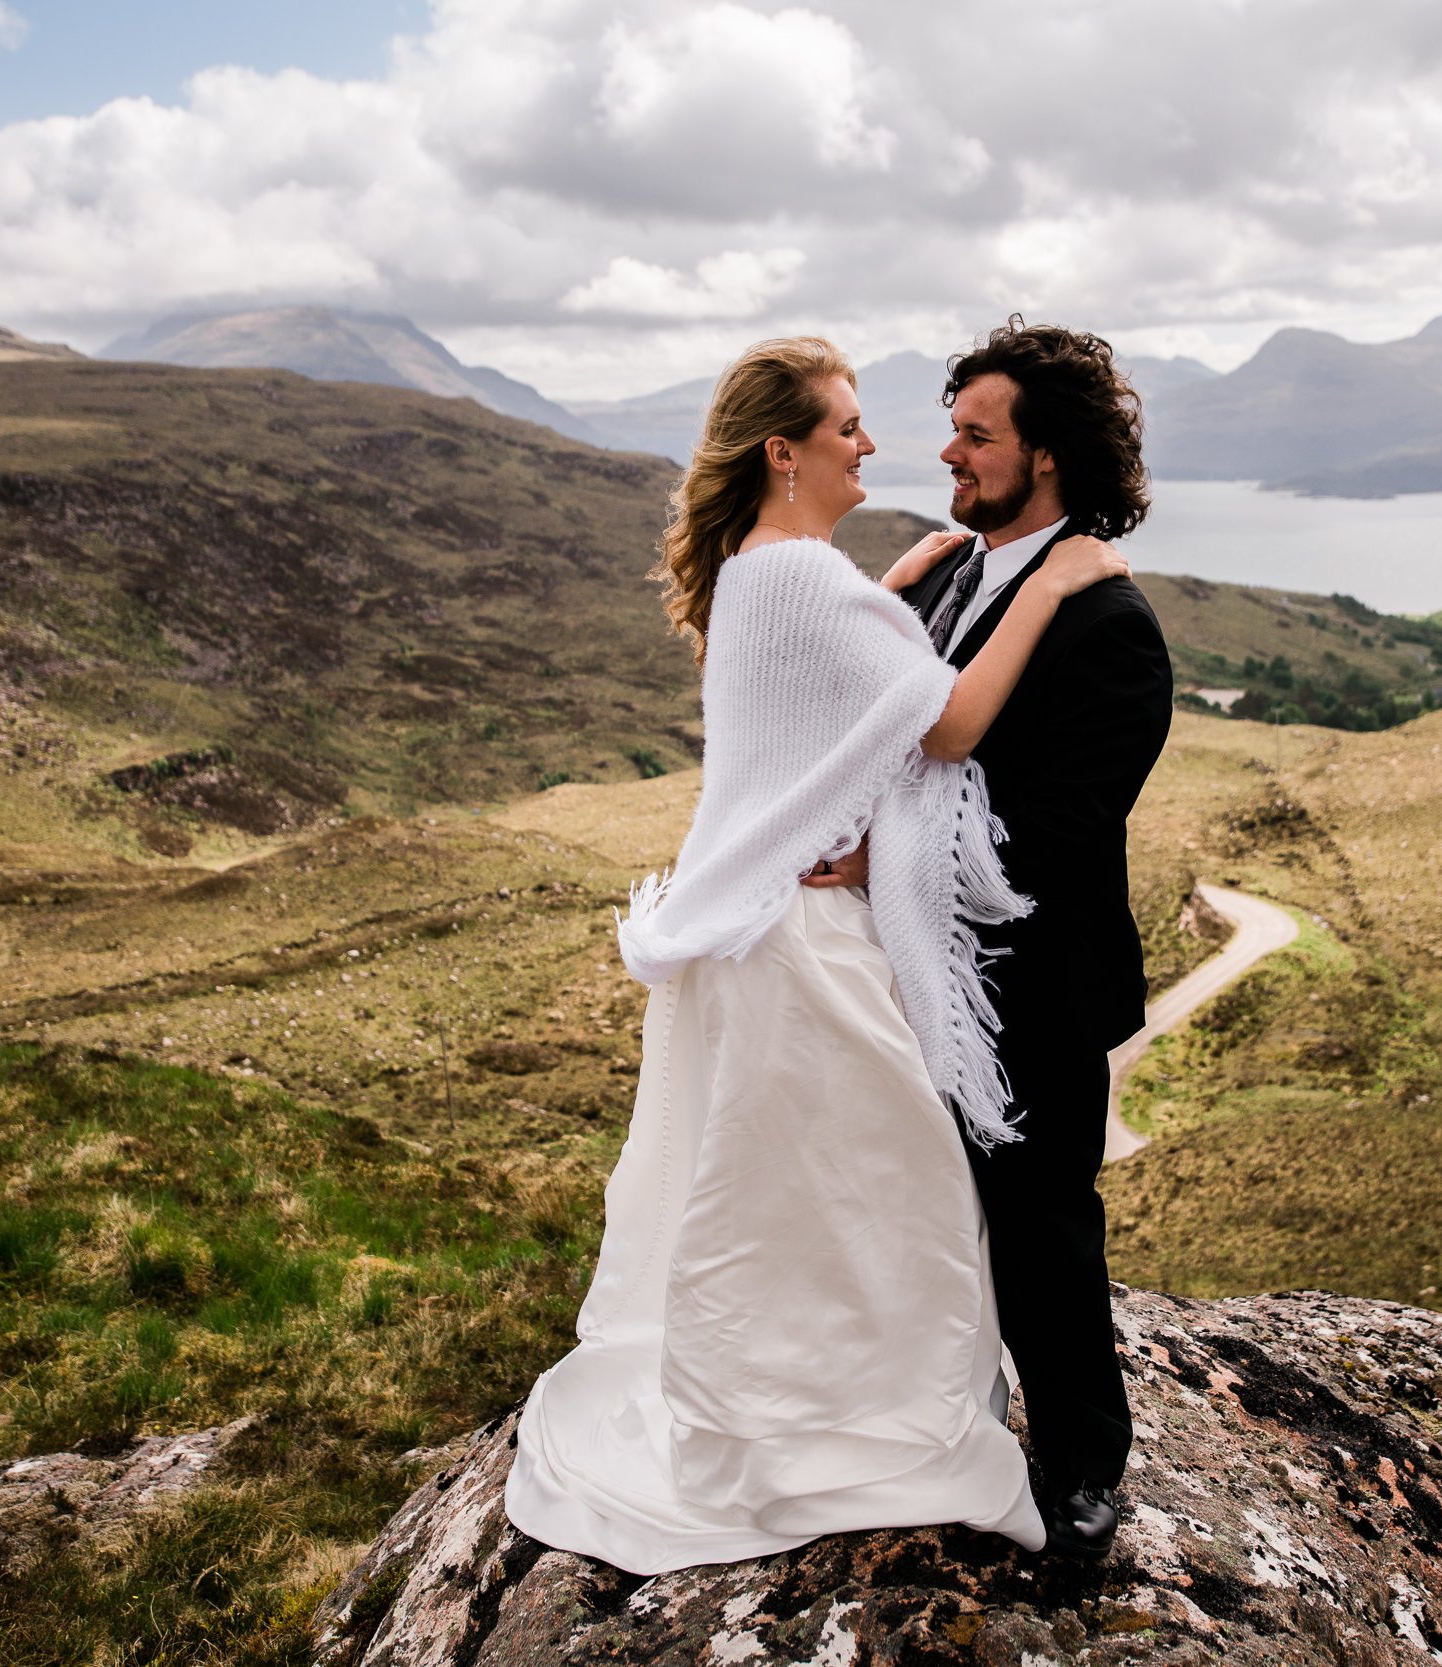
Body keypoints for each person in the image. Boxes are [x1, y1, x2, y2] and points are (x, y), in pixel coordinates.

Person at [504, 335, 1130, 1575]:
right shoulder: (805, 580)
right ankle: (845, 1427)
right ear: (784, 449)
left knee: (809, 1201)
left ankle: (826, 1419)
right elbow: (943, 720)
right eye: (849, 424)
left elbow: (830, 690)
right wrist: (1048, 588)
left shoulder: (769, 571)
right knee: (873, 1199)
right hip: (802, 953)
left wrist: (891, 591)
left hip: (786, 941)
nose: (877, 442)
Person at [891, 320, 1171, 1560]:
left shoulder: (1110, 624)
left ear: (1044, 458)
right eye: (953, 427)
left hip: (1034, 988)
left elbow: (1051, 829)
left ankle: (1080, 1474)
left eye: (974, 432)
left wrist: (879, 854)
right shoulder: (955, 573)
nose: (948, 451)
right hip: (908, 968)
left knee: (1041, 1224)